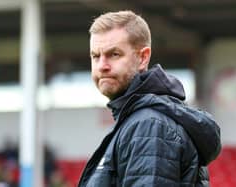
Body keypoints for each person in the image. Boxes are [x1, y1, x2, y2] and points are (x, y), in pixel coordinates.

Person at [78, 10, 221, 187]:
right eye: (95, 56)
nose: (102, 66)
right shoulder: (137, 120)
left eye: (114, 54)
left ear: (143, 58)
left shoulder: (149, 125)